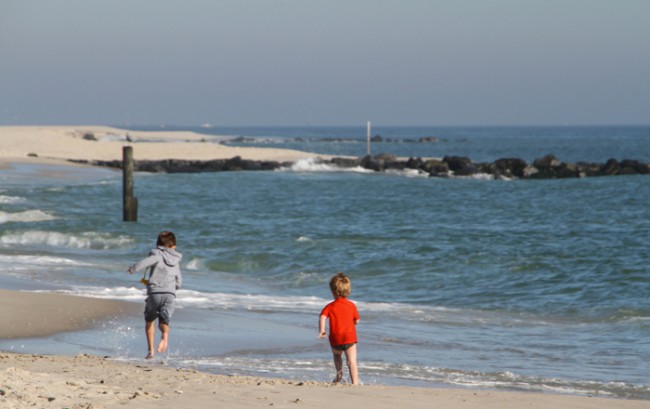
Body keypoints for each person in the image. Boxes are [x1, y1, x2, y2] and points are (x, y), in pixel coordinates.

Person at [128, 231, 182, 359]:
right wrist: (174, 288)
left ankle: (151, 351)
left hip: (155, 293)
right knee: (164, 321)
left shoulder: (157, 255)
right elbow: (179, 280)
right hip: (170, 294)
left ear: (158, 244)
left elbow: (146, 262)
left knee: (149, 321)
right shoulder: (176, 261)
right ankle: (165, 336)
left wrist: (133, 268)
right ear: (173, 246)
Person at [318, 272, 360, 385]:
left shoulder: (330, 306)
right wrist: (353, 323)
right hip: (349, 337)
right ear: (349, 291)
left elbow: (322, 317)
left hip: (336, 338)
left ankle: (339, 374)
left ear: (332, 291)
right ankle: (355, 383)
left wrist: (322, 330)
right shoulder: (351, 305)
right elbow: (357, 320)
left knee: (337, 355)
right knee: (352, 361)